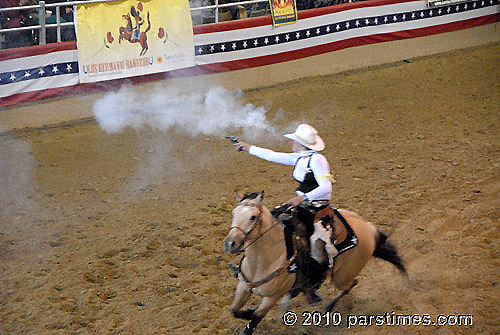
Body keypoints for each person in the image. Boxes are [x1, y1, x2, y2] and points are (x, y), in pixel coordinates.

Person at [233, 123, 336, 305]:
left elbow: (326, 187)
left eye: (295, 141)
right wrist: (248, 148)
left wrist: (302, 197)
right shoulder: (301, 158)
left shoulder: (318, 161)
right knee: (273, 221)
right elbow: (272, 155)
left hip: (315, 207)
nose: (292, 143)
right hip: (302, 204)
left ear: (302, 144)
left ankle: (305, 282)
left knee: (300, 236)